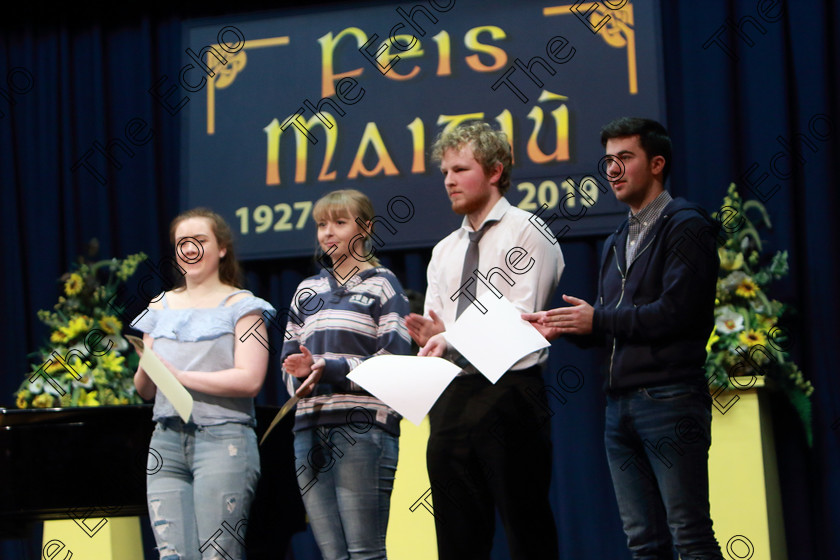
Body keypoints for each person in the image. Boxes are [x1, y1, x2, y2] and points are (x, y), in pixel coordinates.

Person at [523, 117, 725, 559]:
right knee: (642, 541)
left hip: (670, 398)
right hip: (619, 406)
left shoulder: (687, 226)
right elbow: (612, 326)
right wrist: (569, 327)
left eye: (625, 159)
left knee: (689, 534)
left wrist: (598, 321)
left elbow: (677, 314)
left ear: (656, 163)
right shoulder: (616, 239)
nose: (612, 170)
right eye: (608, 160)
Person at [408, 121, 564, 559]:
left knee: (524, 523)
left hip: (511, 393)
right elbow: (442, 327)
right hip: (454, 395)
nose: (449, 181)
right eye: (444, 173)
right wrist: (433, 336)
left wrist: (449, 335)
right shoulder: (444, 251)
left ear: (495, 171)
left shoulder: (527, 231)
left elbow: (522, 317)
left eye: (460, 169)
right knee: (457, 534)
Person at [133, 208, 273, 560]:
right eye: (182, 242)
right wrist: (147, 363)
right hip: (165, 440)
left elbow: (251, 379)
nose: (190, 249)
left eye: (200, 241)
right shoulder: (159, 306)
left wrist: (180, 377)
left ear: (221, 248)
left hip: (223, 439)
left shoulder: (243, 306)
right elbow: (146, 390)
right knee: (173, 555)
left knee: (218, 554)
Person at [281, 189, 411, 560]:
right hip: (308, 429)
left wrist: (329, 369)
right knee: (334, 556)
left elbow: (393, 363)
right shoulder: (306, 290)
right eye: (322, 224)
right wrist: (302, 375)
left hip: (362, 429)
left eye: (339, 222)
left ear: (366, 228)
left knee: (364, 552)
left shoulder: (383, 284)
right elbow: (289, 360)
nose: (328, 232)